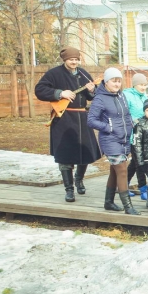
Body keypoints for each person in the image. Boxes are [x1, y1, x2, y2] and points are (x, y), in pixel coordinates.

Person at [34, 47, 102, 202]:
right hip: (63, 119)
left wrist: (92, 90)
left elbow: (91, 96)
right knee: (65, 156)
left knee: (84, 153)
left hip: (82, 117)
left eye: (76, 59)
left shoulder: (84, 74)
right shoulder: (54, 74)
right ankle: (69, 189)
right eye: (71, 59)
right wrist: (59, 93)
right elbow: (39, 90)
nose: (74, 62)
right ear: (64, 60)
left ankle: (79, 180)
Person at [86, 68, 139, 215]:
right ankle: (128, 207)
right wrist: (108, 127)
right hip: (110, 139)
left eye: (119, 81)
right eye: (113, 81)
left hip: (124, 138)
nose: (117, 84)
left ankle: (108, 202)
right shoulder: (100, 98)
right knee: (122, 171)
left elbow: (126, 115)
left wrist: (131, 125)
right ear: (106, 82)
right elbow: (91, 120)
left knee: (114, 172)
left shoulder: (121, 96)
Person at [122, 73, 148, 199]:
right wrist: (135, 120)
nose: (143, 87)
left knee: (135, 162)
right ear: (135, 84)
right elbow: (124, 114)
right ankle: (143, 188)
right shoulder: (127, 95)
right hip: (134, 134)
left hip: (144, 134)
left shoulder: (144, 97)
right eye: (141, 85)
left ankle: (123, 185)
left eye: (145, 85)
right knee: (139, 162)